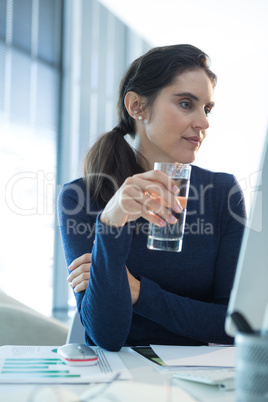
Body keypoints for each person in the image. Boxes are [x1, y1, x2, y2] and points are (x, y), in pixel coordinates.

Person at [58, 44, 246, 351]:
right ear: (137, 106)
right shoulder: (81, 196)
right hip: (119, 380)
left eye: (207, 108)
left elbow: (233, 326)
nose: (204, 122)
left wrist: (137, 292)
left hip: (199, 379)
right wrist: (110, 224)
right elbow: (105, 335)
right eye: (187, 104)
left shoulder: (222, 193)